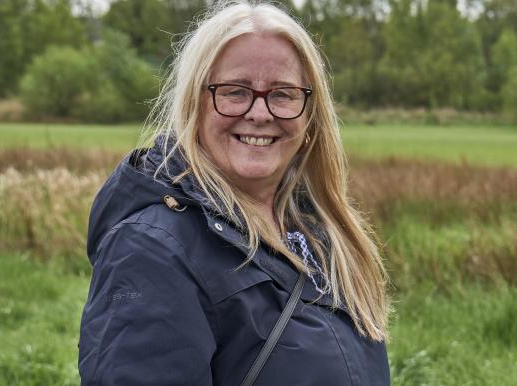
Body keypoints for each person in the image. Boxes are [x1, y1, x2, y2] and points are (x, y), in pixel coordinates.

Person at [78, 1, 391, 385]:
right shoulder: (152, 250)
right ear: (196, 103)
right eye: (234, 91)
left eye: (283, 94)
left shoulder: (316, 232)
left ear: (310, 113)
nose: (260, 113)